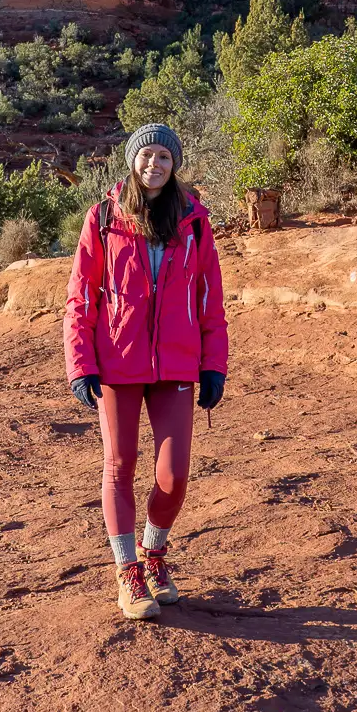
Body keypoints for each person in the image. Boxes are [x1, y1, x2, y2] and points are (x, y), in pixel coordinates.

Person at [63, 122, 229, 621]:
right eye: (145, 156)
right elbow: (80, 298)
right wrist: (81, 364)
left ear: (174, 164)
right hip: (117, 362)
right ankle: (127, 571)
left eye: (163, 156)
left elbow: (209, 300)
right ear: (131, 161)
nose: (153, 164)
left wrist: (213, 363)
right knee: (119, 466)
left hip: (176, 363)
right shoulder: (104, 219)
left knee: (174, 475)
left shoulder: (195, 223)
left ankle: (154, 554)